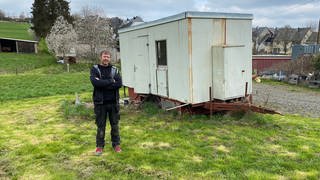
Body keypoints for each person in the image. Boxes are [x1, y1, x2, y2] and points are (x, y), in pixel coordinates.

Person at [90, 50, 122, 155]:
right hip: (100, 103)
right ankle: (99, 146)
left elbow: (119, 84)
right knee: (100, 126)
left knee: (115, 125)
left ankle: (116, 145)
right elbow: (95, 83)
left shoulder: (114, 70)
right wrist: (110, 81)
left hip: (113, 103)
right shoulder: (95, 69)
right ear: (100, 57)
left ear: (110, 58)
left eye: (108, 57)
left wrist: (103, 83)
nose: (106, 58)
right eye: (104, 56)